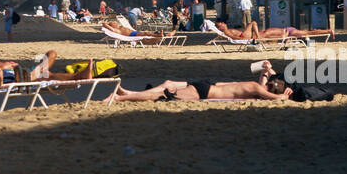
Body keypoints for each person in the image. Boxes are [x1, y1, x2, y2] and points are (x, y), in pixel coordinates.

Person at [114, 63, 293, 102]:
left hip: (207, 87)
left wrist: (268, 71)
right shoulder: (257, 89)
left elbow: (267, 81)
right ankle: (120, 98)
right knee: (163, 95)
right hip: (205, 92)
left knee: (166, 89)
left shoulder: (256, 87)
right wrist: (284, 96)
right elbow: (274, 97)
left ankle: (126, 94)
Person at [0, 43, 95, 82]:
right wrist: (3, 67)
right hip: (12, 76)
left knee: (52, 54)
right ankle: (78, 76)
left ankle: (37, 71)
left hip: (22, 72)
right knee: (47, 75)